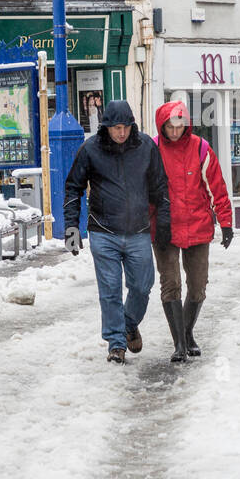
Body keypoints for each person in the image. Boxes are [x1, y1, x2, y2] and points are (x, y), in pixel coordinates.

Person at [63, 100, 171, 364]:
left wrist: (165, 224)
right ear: (107, 127)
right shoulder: (90, 149)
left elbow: (160, 187)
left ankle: (128, 323)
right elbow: (73, 187)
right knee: (110, 290)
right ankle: (116, 344)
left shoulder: (146, 147)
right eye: (116, 127)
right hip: (103, 230)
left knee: (142, 286)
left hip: (138, 230)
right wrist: (70, 228)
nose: (121, 133)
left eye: (126, 127)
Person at [151, 100, 233, 362]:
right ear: (162, 126)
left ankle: (186, 333)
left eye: (179, 126)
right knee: (170, 284)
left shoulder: (201, 148)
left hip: (198, 225)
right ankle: (179, 345)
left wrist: (227, 222)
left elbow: (217, 187)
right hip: (165, 228)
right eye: (169, 127)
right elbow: (144, 190)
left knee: (198, 286)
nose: (174, 132)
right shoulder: (152, 149)